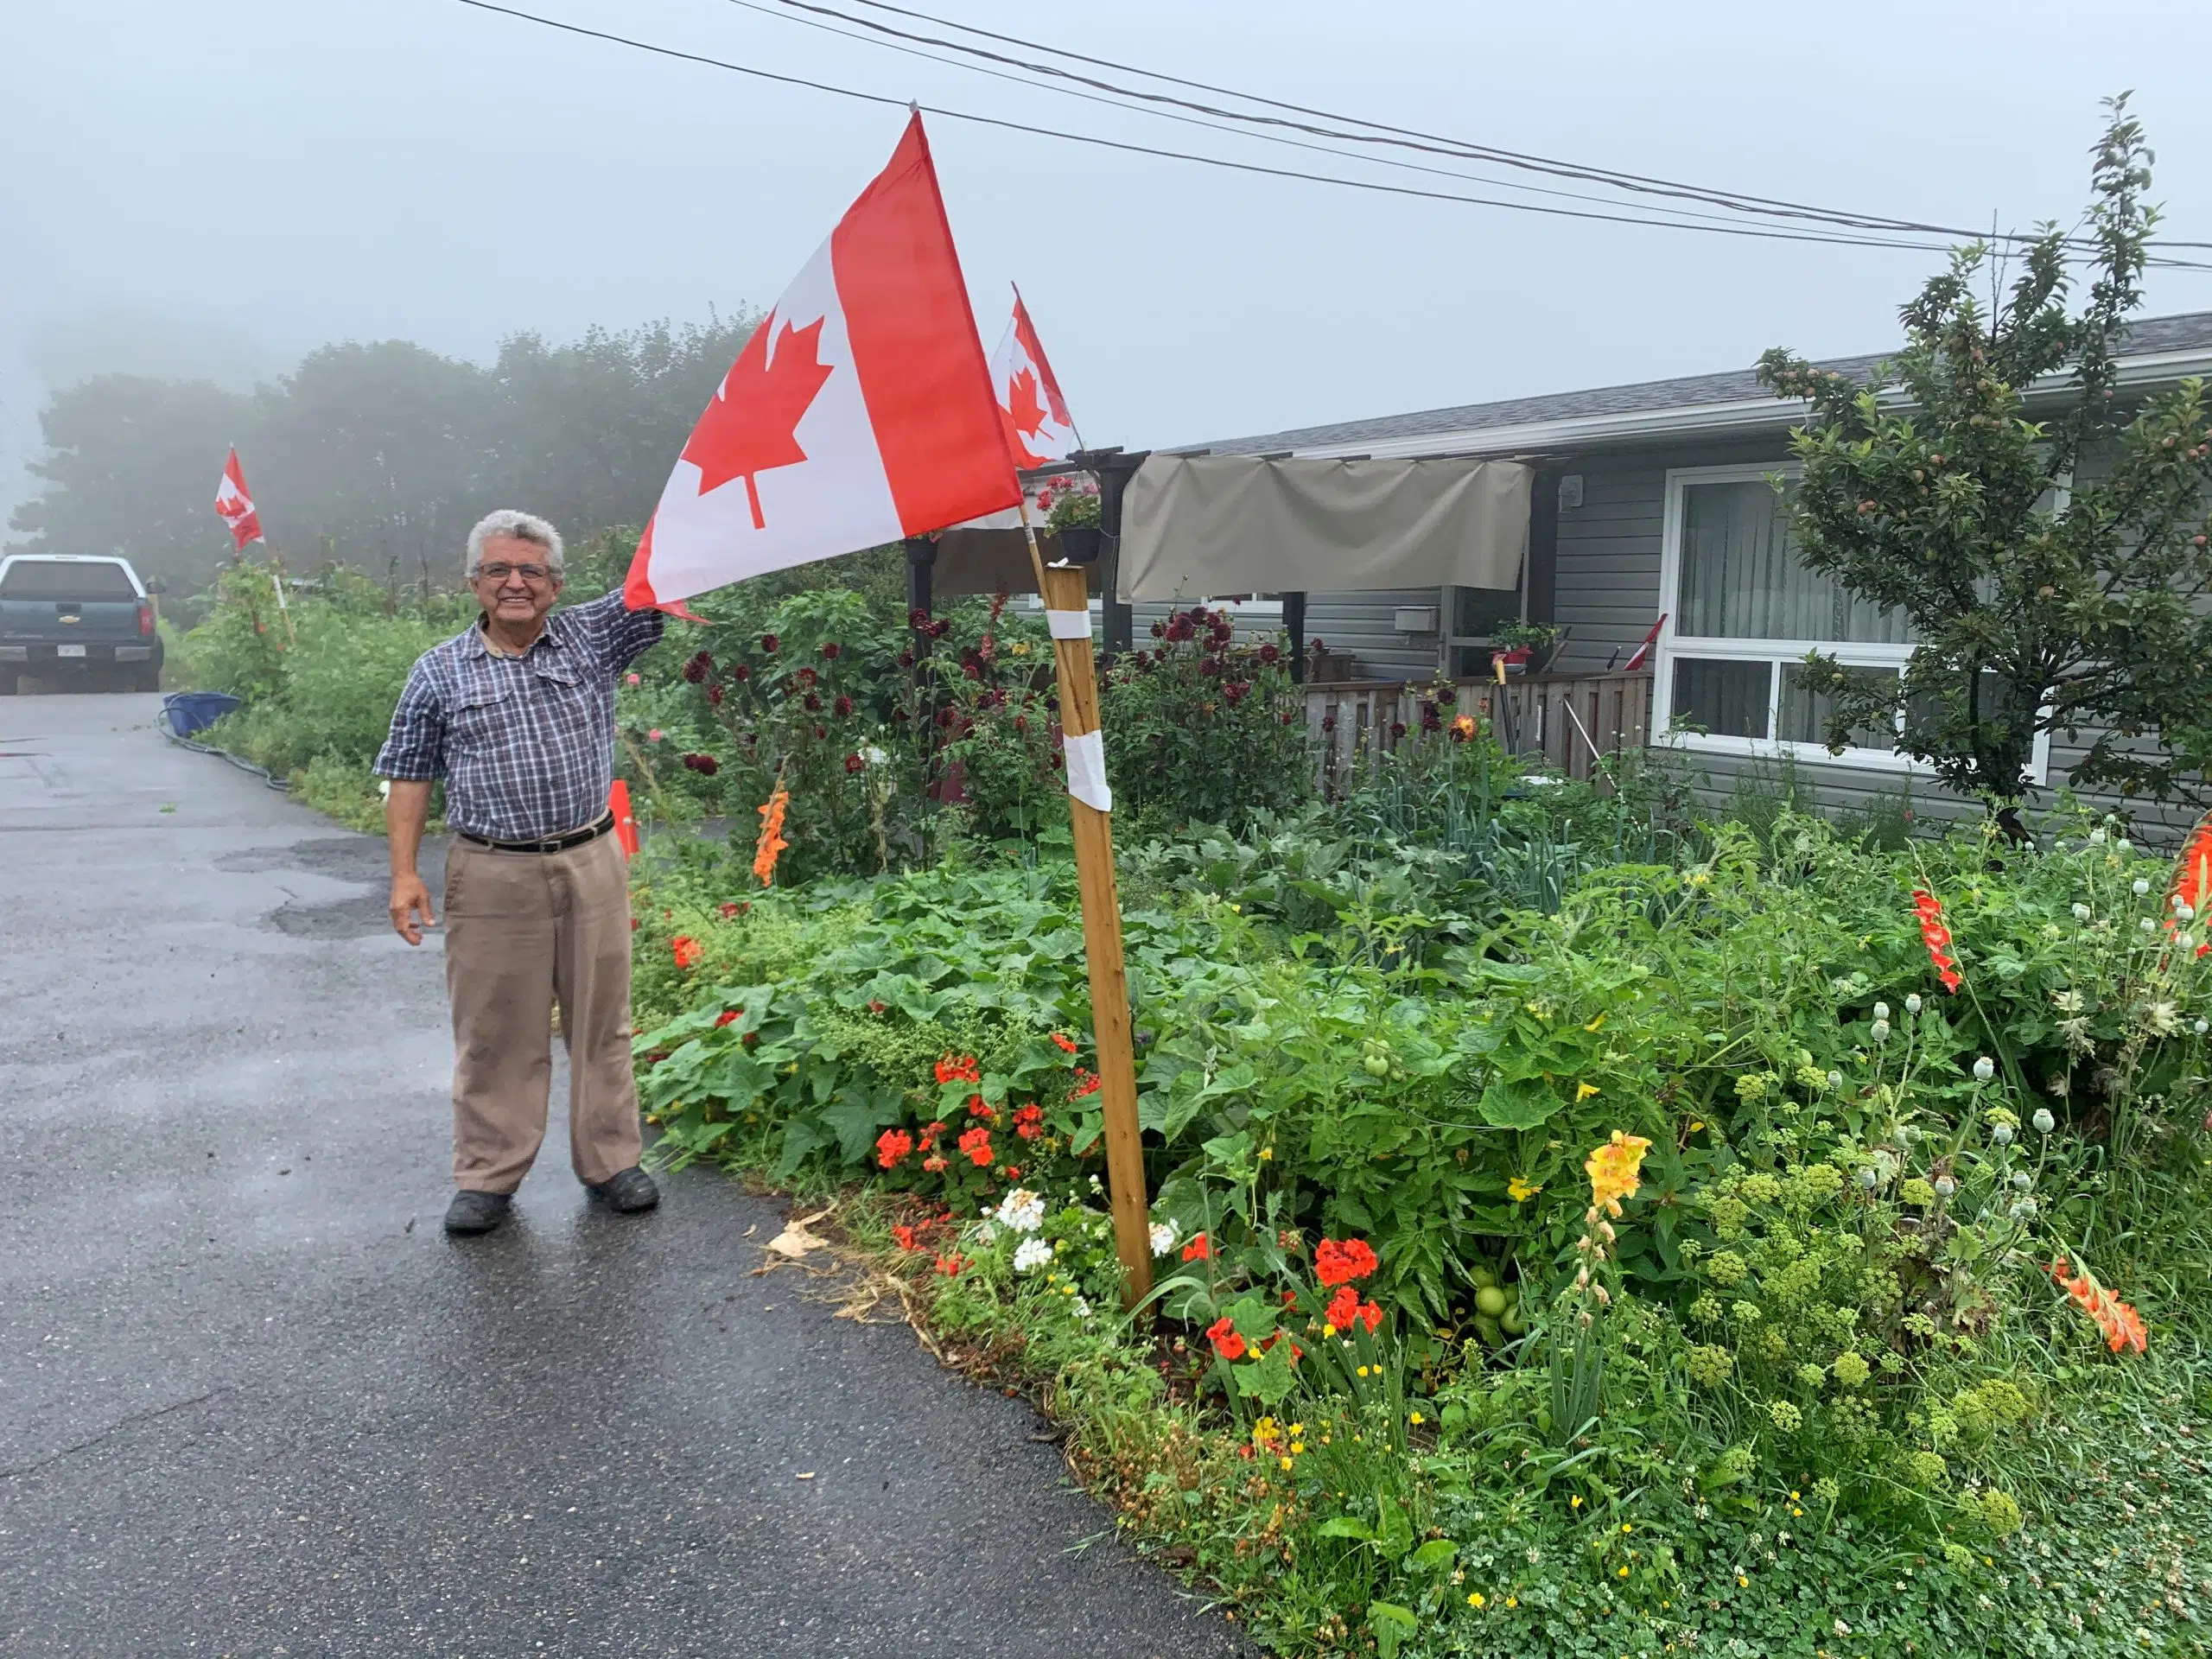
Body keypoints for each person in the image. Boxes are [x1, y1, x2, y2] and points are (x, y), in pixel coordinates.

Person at [375, 510, 667, 1236]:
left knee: (604, 1022)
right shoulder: (438, 672)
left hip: (590, 859)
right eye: (499, 570)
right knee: (494, 1032)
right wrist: (404, 874)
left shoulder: (591, 635)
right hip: (492, 871)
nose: (515, 583)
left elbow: (659, 581)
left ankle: (611, 1162)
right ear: (473, 582)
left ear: (556, 584)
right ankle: (488, 1177)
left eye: (532, 571)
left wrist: (708, 499)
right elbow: (408, 774)